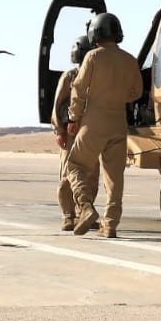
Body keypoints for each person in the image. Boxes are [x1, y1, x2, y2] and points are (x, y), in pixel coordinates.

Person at [66, 13, 143, 238]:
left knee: (75, 164)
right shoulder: (130, 60)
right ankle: (109, 225)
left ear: (95, 33)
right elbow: (136, 92)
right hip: (118, 123)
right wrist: (118, 98)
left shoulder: (92, 57)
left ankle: (86, 206)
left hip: (94, 122)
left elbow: (78, 89)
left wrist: (73, 118)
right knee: (114, 177)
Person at [53, 36, 96, 231]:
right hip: (71, 132)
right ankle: (68, 215)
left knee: (91, 175)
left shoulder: (96, 76)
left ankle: (83, 212)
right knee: (67, 175)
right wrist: (59, 131)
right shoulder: (70, 76)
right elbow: (57, 104)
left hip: (90, 132)